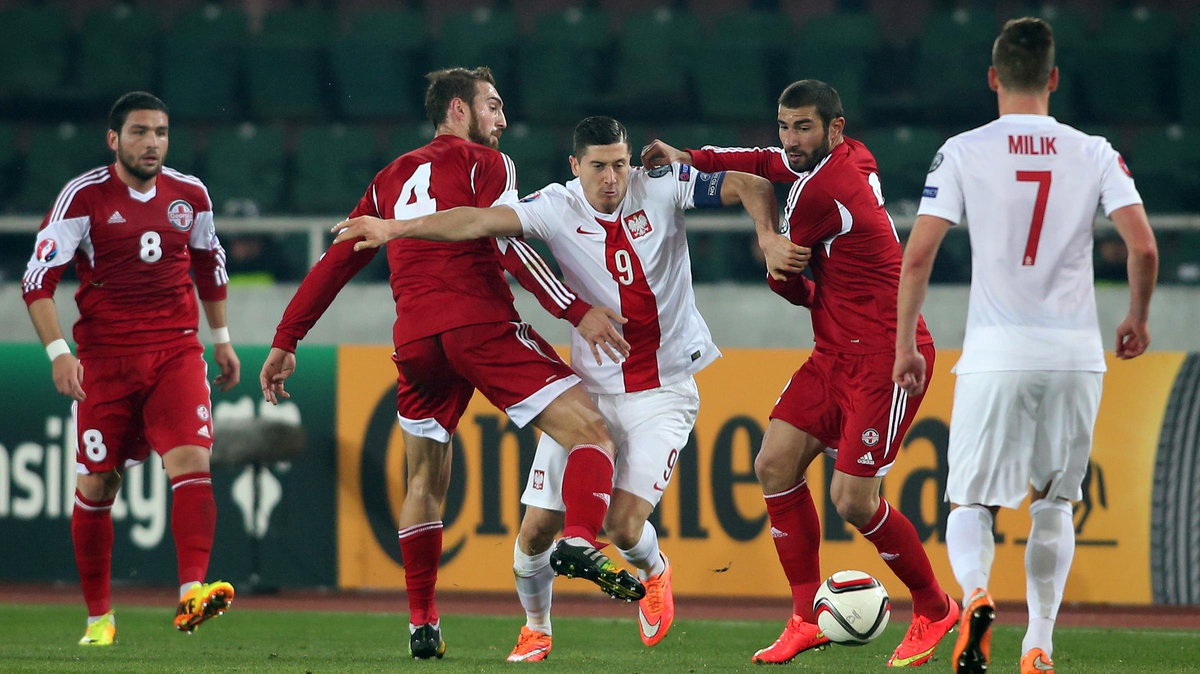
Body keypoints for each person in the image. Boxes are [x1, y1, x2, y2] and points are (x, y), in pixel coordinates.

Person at [332, 115, 789, 660]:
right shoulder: (554, 205)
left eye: (620, 163)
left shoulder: (662, 182)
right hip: (590, 389)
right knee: (532, 539)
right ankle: (536, 627)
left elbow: (752, 183)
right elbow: (475, 221)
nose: (613, 178)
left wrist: (768, 235)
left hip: (663, 391)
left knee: (621, 527)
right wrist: (395, 228)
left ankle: (655, 569)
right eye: (598, 166)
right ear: (576, 166)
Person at [259, 68, 644, 660]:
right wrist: (575, 311)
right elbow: (508, 244)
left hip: (414, 341)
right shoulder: (487, 164)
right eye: (493, 106)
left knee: (422, 481)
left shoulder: (388, 178)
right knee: (592, 428)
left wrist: (287, 339)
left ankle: (422, 620)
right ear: (459, 110)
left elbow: (339, 257)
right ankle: (577, 541)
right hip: (479, 326)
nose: (503, 119)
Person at [642, 80, 958, 667]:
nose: (790, 139)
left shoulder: (823, 193)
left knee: (854, 501)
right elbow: (767, 166)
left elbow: (787, 281)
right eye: (784, 126)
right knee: (773, 463)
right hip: (834, 354)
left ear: (833, 129)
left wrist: (776, 264)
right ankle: (804, 617)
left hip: (886, 359)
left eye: (803, 127)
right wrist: (693, 156)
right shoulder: (852, 155)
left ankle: (935, 607)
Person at [893, 18, 1158, 674]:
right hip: (1074, 355)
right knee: (1054, 500)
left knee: (970, 500)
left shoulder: (963, 150)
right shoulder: (1094, 151)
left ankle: (977, 595)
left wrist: (904, 343)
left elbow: (919, 255)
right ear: (1054, 79)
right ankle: (1038, 642)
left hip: (996, 352)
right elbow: (1144, 245)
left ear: (993, 78)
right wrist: (1137, 317)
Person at [20, 91, 241, 646]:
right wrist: (58, 354)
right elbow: (36, 282)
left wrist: (222, 341)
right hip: (106, 361)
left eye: (162, 132)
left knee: (193, 457)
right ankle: (99, 618)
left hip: (175, 351)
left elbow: (209, 267)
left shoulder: (190, 195)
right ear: (114, 140)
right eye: (141, 132)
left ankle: (191, 593)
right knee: (97, 485)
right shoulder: (83, 197)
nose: (153, 143)